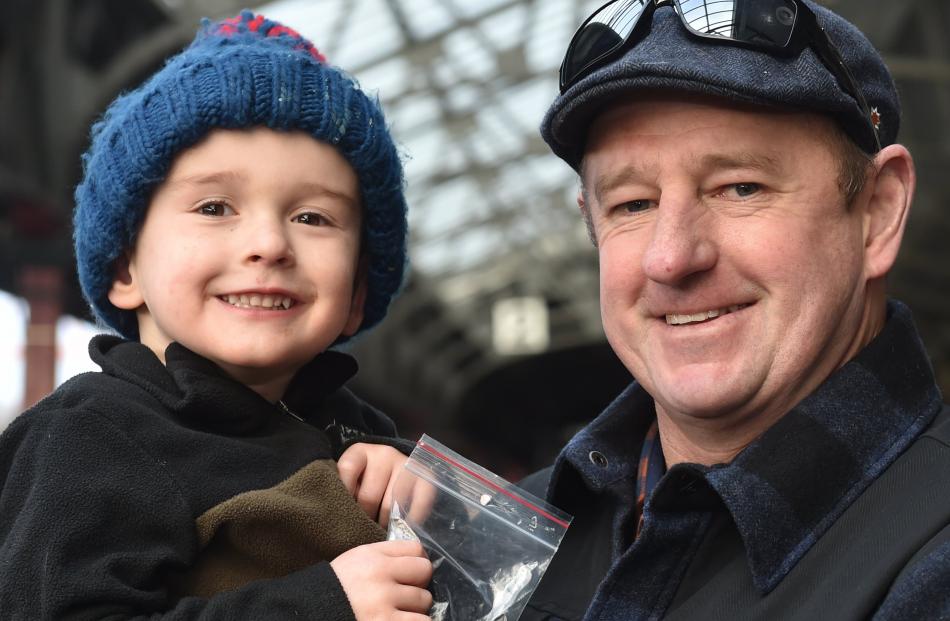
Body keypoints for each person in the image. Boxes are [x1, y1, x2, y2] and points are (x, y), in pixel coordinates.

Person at [520, 1, 950, 619]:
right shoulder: (508, 526)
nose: (670, 258)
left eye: (740, 187)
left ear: (877, 212)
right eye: (633, 204)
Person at [0, 11, 433, 620]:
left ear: (357, 292)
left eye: (312, 217)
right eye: (214, 206)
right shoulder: (92, 437)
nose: (269, 244)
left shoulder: (352, 427)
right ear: (125, 270)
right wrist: (322, 607)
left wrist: (404, 480)